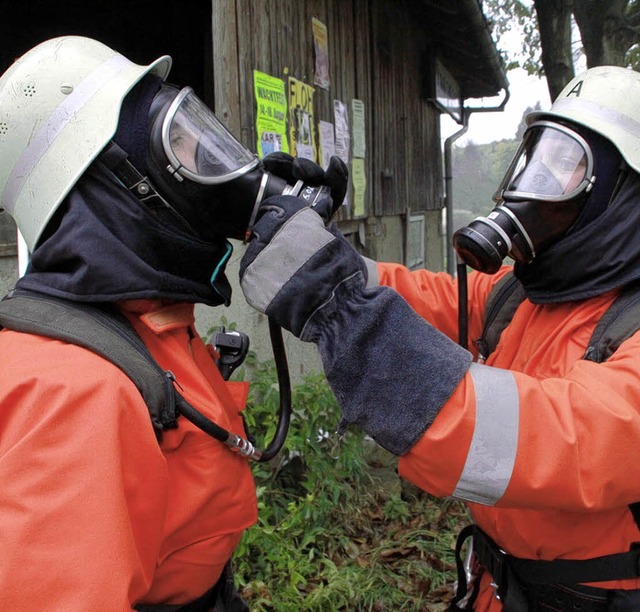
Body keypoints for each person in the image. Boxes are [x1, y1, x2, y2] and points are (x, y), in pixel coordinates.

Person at [240, 66, 640, 610]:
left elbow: (553, 439)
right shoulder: (524, 293)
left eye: (564, 169)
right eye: (535, 161)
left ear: (623, 198)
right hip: (498, 585)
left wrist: (343, 311)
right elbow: (420, 297)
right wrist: (318, 246)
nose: (532, 189)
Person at [0, 35, 349, 611]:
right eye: (179, 143)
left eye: (199, 133)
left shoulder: (144, 325)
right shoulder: (72, 391)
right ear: (121, 183)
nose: (213, 161)